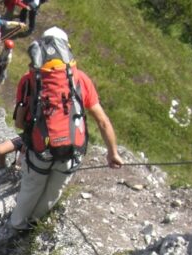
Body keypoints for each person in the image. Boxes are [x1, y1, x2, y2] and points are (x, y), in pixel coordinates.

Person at [11, 27, 122, 231]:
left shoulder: (29, 80)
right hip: (72, 150)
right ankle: (35, 222)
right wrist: (112, 153)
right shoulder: (79, 79)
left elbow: (19, 123)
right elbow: (103, 121)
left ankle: (17, 226)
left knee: (31, 188)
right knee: (54, 190)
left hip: (40, 150)